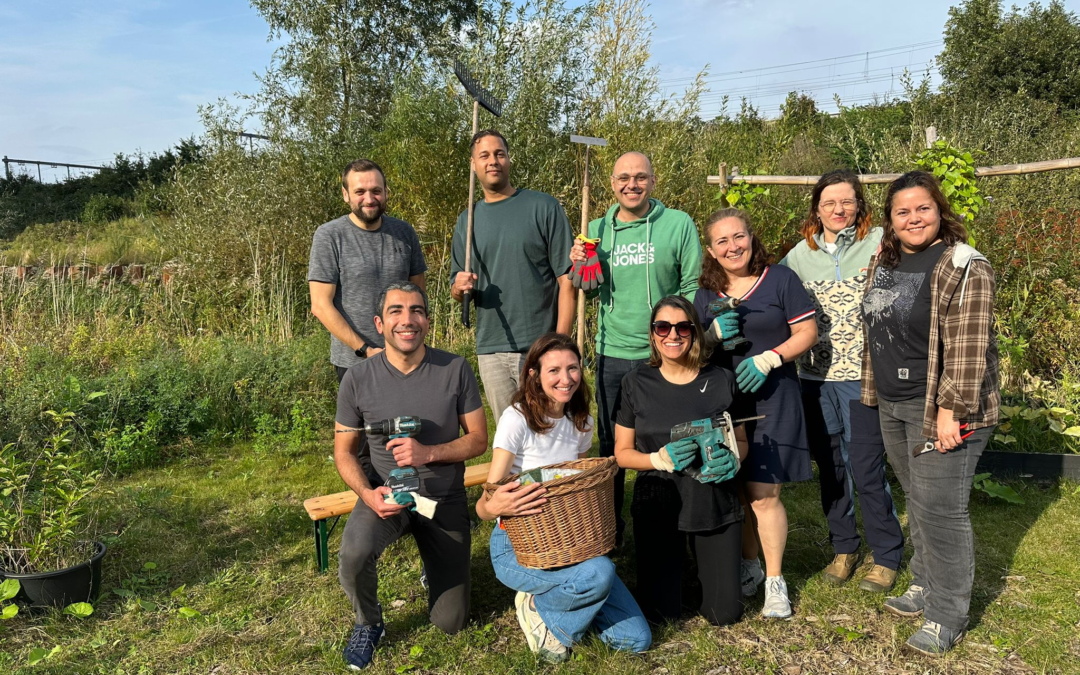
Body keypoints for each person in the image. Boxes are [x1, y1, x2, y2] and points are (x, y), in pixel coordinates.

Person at [861, 170, 999, 656]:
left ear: (940, 210)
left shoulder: (964, 265)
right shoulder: (888, 258)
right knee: (917, 498)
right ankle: (924, 581)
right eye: (903, 211)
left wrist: (950, 412)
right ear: (891, 220)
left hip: (941, 407)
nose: (913, 218)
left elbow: (968, 348)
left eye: (923, 208)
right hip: (895, 403)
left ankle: (947, 614)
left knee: (941, 510)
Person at [334, 282, 488, 670]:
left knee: (450, 623)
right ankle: (368, 623)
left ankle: (432, 565)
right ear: (379, 323)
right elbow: (343, 453)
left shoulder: (455, 368)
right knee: (353, 554)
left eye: (417, 310)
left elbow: (479, 440)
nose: (407, 320)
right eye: (396, 311)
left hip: (444, 499)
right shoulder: (357, 378)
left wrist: (429, 453)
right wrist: (369, 495)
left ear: (428, 320)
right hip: (388, 496)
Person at [476, 333, 651, 662]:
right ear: (534, 374)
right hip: (519, 548)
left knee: (636, 639)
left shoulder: (581, 422)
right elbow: (485, 502)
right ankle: (540, 606)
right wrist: (494, 505)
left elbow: (576, 484)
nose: (565, 378)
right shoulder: (517, 419)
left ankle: (556, 608)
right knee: (600, 572)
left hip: (570, 542)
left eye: (572, 368)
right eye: (553, 370)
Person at [780, 170, 905, 592]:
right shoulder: (798, 257)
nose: (839, 210)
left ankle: (887, 554)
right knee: (831, 467)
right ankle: (844, 547)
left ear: (860, 206)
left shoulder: (881, 243)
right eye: (830, 202)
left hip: (862, 378)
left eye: (847, 202)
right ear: (817, 207)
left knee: (866, 466)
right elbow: (771, 297)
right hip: (813, 380)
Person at [569, 151, 702, 546]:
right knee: (612, 447)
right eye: (624, 177)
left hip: (665, 350)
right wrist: (580, 265)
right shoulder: (594, 229)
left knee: (665, 436)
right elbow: (588, 290)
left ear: (653, 181)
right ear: (612, 184)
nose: (632, 184)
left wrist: (685, 335)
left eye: (640, 177)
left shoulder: (677, 224)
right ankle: (611, 531)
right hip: (612, 350)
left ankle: (674, 525)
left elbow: (692, 284)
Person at [693, 208, 817, 619]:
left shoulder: (780, 280)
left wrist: (770, 358)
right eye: (722, 241)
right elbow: (694, 351)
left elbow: (807, 332)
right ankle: (749, 566)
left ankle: (776, 582)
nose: (733, 247)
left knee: (764, 495)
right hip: (725, 402)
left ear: (751, 237)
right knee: (739, 491)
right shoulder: (707, 293)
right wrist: (711, 336)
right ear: (711, 250)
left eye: (739, 237)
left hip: (773, 398)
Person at [613, 295, 749, 626]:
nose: (672, 336)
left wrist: (735, 459)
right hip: (659, 494)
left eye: (683, 327)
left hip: (713, 493)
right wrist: (657, 459)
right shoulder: (635, 383)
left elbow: (742, 439)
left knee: (725, 614)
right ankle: (679, 569)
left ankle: (699, 566)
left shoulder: (721, 379)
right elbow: (622, 453)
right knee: (660, 616)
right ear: (652, 333)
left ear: (695, 332)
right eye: (663, 327)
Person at [450, 129, 576, 424]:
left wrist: (558, 345)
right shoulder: (466, 221)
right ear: (473, 165)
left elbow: (566, 282)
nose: (493, 161)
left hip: (539, 347)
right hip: (491, 347)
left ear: (509, 159)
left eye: (499, 154)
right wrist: (458, 287)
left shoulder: (543, 207)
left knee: (549, 433)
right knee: (511, 437)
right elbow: (458, 289)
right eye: (484, 155)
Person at [309, 159, 427, 382]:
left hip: (406, 357)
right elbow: (321, 305)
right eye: (360, 191)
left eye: (376, 191)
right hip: (355, 363)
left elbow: (418, 293)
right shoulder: (329, 236)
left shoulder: (404, 232)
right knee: (361, 419)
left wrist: (414, 343)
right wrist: (365, 349)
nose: (369, 199)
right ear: (346, 194)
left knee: (412, 418)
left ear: (386, 192)